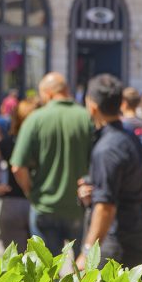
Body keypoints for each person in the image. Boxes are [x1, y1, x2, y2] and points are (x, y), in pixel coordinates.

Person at [9, 72, 93, 256]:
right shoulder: (86, 118)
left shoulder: (35, 119)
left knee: (47, 275)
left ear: (47, 93)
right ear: (66, 90)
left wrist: (29, 191)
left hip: (44, 204)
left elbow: (17, 166)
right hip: (78, 206)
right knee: (85, 273)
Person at [76, 74, 142, 270]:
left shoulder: (107, 148)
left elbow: (105, 207)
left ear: (92, 106)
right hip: (136, 234)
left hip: (116, 244)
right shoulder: (129, 138)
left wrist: (87, 252)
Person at [0, 99, 36, 254]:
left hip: (13, 204)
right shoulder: (45, 142)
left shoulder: (10, 142)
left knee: (15, 265)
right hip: (40, 203)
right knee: (44, 266)